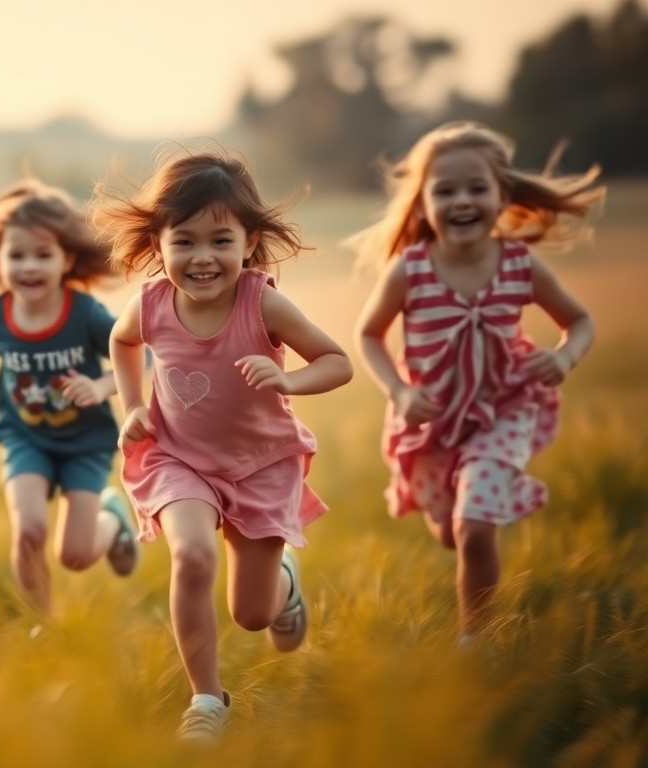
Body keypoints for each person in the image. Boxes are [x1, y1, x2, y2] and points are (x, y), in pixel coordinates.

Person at [93, 149, 352, 742]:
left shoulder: (263, 304)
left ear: (249, 240)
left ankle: (283, 585)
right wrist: (133, 407)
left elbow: (337, 362)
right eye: (183, 241)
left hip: (259, 466)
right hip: (177, 457)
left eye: (220, 241)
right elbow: (121, 342)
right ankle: (207, 701)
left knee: (251, 614)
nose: (202, 258)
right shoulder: (152, 304)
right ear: (157, 244)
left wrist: (289, 379)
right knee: (191, 556)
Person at [352, 121, 600, 643]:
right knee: (450, 531)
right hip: (434, 418)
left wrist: (565, 358)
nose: (461, 200)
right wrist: (398, 391)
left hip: (503, 410)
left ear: (501, 195)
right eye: (445, 191)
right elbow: (369, 336)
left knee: (474, 526)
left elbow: (579, 322)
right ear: (422, 205)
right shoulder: (410, 271)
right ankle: (468, 523)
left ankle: (476, 641)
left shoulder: (519, 264)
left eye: (476, 188)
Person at [0, 178, 139, 616]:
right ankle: (42, 623)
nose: (29, 267)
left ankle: (112, 520)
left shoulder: (85, 313)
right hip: (23, 437)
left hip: (84, 443)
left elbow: (136, 355)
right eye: (17, 255)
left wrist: (103, 386)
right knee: (28, 529)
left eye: (43, 255)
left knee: (75, 555)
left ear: (66, 259)